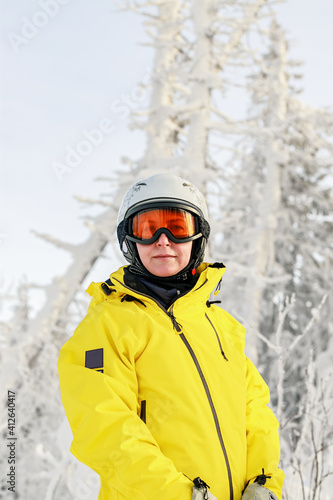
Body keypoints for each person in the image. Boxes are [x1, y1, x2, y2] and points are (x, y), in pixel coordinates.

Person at [58, 173, 285, 500]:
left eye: (177, 228)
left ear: (198, 238)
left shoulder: (220, 326)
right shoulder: (107, 325)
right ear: (130, 241)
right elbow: (104, 426)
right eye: (148, 229)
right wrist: (179, 494)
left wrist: (264, 481)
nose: (162, 240)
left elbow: (255, 411)